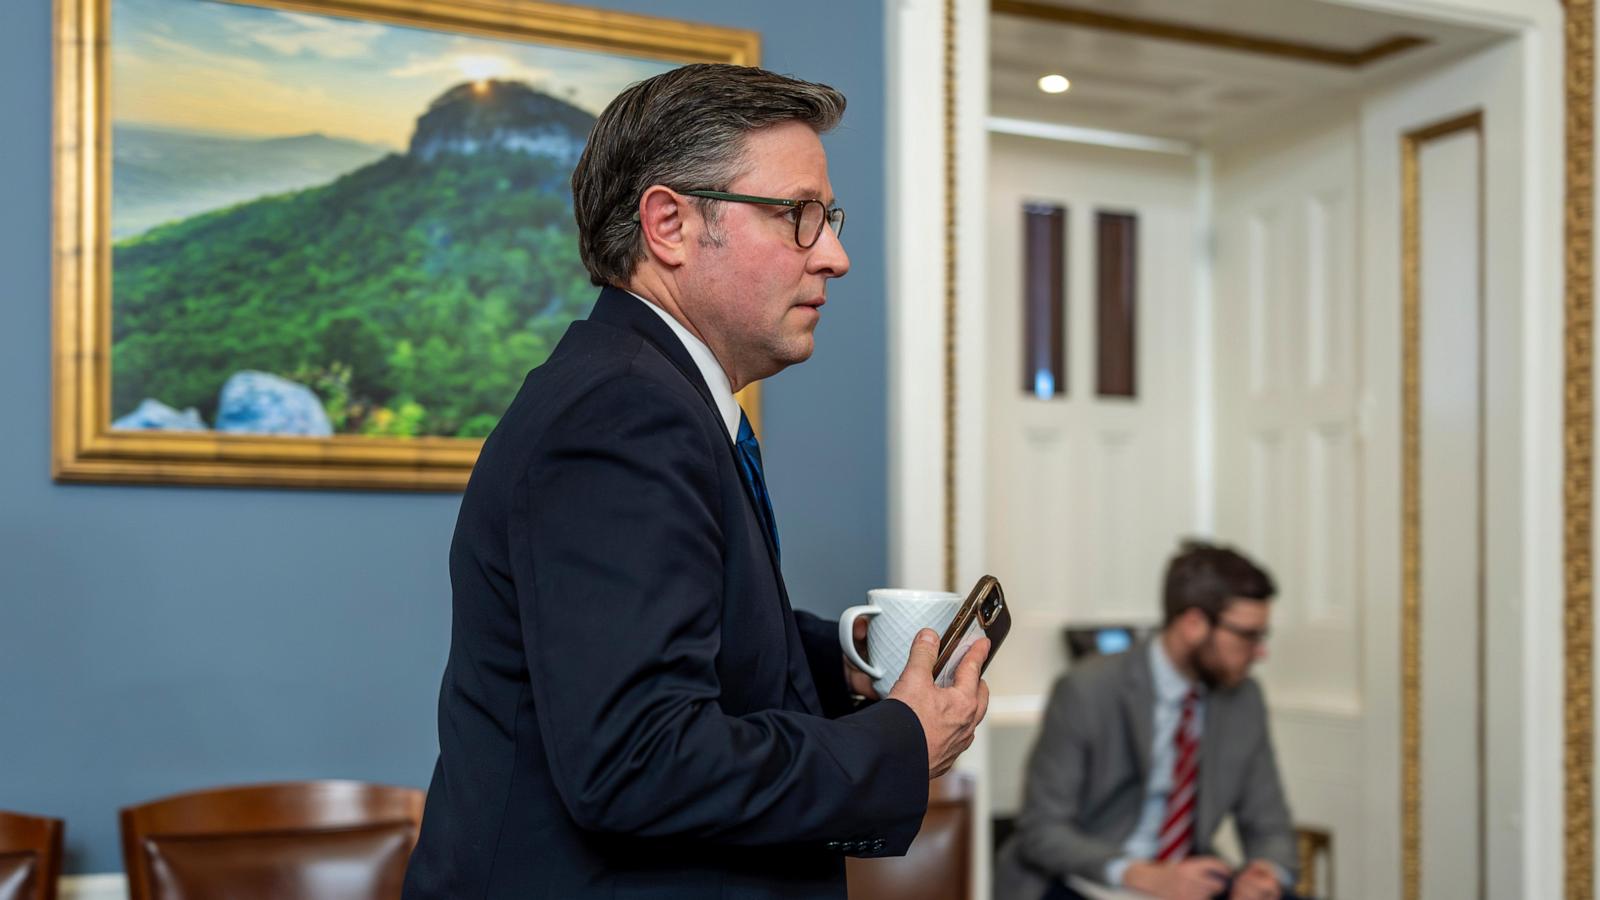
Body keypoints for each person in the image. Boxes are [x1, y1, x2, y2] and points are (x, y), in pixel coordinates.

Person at [400, 64, 990, 900]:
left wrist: (850, 657)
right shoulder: (623, 412)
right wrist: (902, 743)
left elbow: (685, 637)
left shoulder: (645, 391)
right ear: (670, 225)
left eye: (828, 219)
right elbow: (639, 758)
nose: (835, 256)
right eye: (798, 216)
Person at [995, 540, 1301, 900]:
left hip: (1191, 878)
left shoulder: (1243, 698)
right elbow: (1041, 830)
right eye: (1248, 635)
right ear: (1193, 624)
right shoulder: (1087, 688)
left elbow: (1270, 825)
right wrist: (1143, 875)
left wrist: (1264, 874)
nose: (1260, 652)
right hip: (1090, 877)